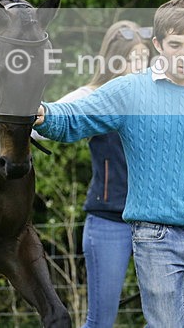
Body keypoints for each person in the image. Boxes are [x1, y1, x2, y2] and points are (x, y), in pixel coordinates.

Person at [35, 0, 184, 327]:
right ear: (158, 45)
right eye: (175, 45)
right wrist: (41, 113)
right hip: (156, 240)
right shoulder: (129, 91)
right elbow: (75, 118)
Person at [51, 20, 150, 327]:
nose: (141, 65)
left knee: (168, 318)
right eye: (134, 58)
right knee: (101, 321)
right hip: (109, 220)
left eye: (144, 58)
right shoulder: (94, 95)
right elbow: (48, 120)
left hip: (154, 222)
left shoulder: (156, 95)